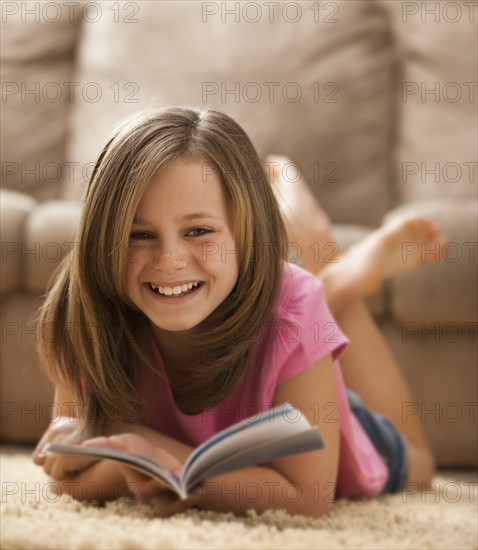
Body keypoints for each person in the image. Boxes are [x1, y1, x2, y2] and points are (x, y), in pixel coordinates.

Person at [33, 107, 442, 518]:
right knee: (296, 316)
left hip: (308, 394)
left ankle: (324, 253)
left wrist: (147, 449)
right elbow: (70, 474)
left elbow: (308, 497)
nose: (169, 260)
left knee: (418, 464)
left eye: (198, 230)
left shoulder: (295, 304)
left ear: (245, 236)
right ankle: (323, 265)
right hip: (281, 351)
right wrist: (132, 461)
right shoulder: (83, 310)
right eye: (139, 235)